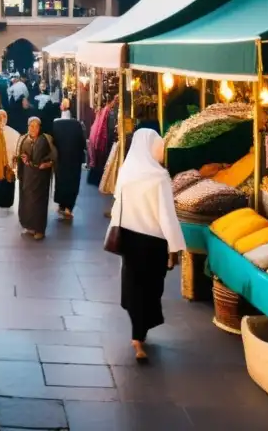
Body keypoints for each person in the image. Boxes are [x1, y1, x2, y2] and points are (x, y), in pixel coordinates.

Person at [110, 128, 186, 362]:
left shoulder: (125, 172)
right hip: (153, 243)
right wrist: (175, 247)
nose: (162, 151)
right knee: (151, 288)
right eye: (159, 146)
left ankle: (137, 333)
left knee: (134, 286)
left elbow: (117, 202)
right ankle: (138, 338)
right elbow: (166, 215)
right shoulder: (159, 177)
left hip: (129, 240)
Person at [16, 117, 55, 239]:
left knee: (39, 203)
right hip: (27, 176)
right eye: (31, 126)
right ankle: (29, 225)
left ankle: (39, 229)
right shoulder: (23, 139)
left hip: (40, 177)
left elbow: (54, 156)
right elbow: (19, 156)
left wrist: (48, 164)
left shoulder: (45, 140)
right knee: (27, 201)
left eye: (36, 126)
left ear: (40, 127)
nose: (33, 129)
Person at [51, 102, 86, 219]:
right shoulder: (77, 125)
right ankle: (68, 208)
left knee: (61, 181)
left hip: (60, 159)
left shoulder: (55, 124)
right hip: (74, 159)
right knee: (72, 182)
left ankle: (61, 205)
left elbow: (52, 143)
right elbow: (82, 142)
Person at [88, 96, 119, 186]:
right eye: (115, 100)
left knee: (101, 161)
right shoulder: (107, 111)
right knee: (102, 160)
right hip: (104, 139)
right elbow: (103, 128)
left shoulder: (104, 111)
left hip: (102, 139)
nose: (116, 102)